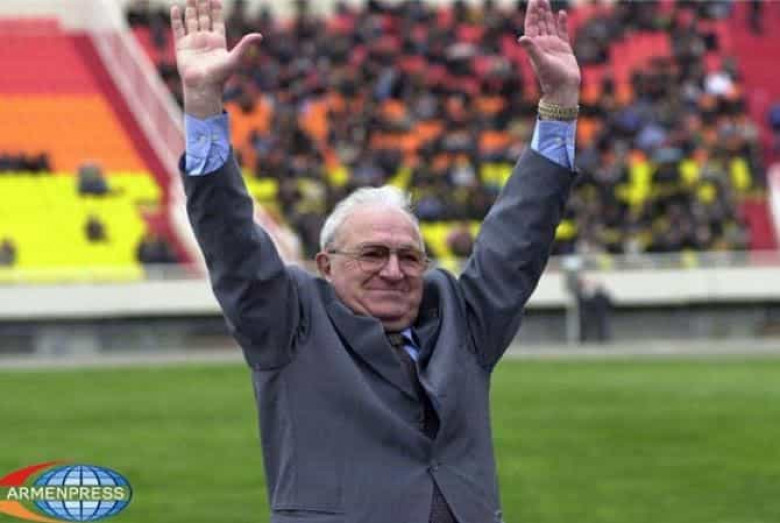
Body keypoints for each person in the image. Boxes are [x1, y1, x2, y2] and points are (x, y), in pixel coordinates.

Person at [171, 0, 579, 521]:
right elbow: (229, 236)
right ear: (326, 265)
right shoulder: (290, 324)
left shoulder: (462, 319)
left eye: (409, 256)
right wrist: (203, 101)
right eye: (372, 254)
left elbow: (518, 236)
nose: (393, 270)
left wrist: (559, 103)